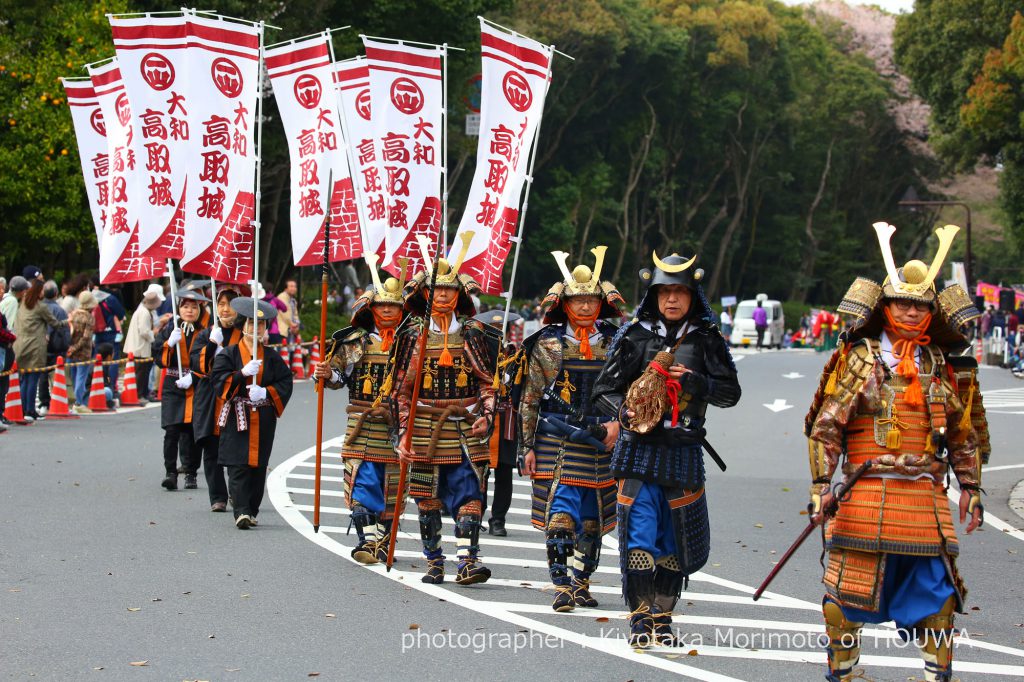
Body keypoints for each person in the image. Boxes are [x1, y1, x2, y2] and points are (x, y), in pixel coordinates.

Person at [805, 224, 983, 682]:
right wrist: (822, 485)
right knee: (842, 607)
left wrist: (971, 487)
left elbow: (961, 432)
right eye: (902, 302)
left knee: (940, 604)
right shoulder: (861, 358)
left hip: (924, 499)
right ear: (884, 307)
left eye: (920, 305)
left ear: (929, 311)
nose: (910, 311)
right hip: (865, 494)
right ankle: (842, 675)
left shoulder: (940, 363)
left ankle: (936, 677)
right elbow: (827, 426)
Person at [593, 251, 741, 647]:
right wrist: (625, 413)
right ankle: (640, 618)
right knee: (640, 536)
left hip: (684, 453)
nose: (672, 299)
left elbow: (730, 394)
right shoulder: (635, 336)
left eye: (680, 291)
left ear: (693, 296)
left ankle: (663, 617)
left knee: (675, 542)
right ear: (654, 295)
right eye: (664, 292)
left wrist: (695, 383)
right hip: (638, 452)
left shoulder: (708, 340)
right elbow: (604, 389)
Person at [517, 247, 625, 612]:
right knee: (561, 516)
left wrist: (619, 427)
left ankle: (582, 582)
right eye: (576, 300)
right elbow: (530, 397)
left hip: (603, 440)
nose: (583, 307)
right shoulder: (545, 343)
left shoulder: (616, 342)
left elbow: (629, 394)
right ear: (563, 303)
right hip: (556, 439)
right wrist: (526, 447)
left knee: (593, 522)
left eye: (590, 300)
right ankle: (561, 583)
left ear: (600, 303)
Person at [392, 235, 497, 585]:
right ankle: (434, 561)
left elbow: (487, 381)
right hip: (424, 427)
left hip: (465, 426)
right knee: (427, 498)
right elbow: (400, 390)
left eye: (450, 290)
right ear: (426, 293)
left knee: (470, 495)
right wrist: (403, 429)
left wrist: (488, 414)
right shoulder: (412, 334)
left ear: (459, 295)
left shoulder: (474, 333)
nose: (443, 295)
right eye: (437, 289)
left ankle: (468, 560)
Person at [313, 258, 407, 563]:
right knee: (361, 481)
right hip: (362, 424)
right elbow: (341, 377)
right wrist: (328, 374)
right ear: (372, 310)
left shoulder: (413, 343)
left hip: (399, 424)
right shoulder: (355, 342)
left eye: (394, 307)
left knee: (393, 485)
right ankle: (365, 541)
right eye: (382, 306)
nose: (388, 311)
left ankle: (382, 541)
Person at [211, 297, 293, 529]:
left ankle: (252, 509)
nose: (255, 328)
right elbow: (218, 381)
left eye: (260, 325)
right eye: (249, 323)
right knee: (238, 464)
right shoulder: (228, 354)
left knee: (258, 465)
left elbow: (286, 381)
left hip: (263, 417)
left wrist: (266, 392)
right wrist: (241, 374)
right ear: (242, 325)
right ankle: (241, 511)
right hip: (238, 414)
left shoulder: (272, 357)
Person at [190, 285, 247, 512]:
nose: (225, 310)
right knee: (211, 449)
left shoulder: (245, 335)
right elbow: (198, 365)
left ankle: (236, 492)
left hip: (235, 397)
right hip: (211, 399)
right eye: (221, 304)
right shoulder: (205, 335)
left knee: (235, 450)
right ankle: (217, 496)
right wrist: (212, 345)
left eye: (230, 304)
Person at [153, 289, 210, 491]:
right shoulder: (170, 329)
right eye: (186, 306)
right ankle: (170, 472)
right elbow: (157, 356)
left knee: (193, 431)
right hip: (173, 385)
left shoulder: (204, 332)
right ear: (179, 308)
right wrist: (169, 343)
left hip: (195, 385)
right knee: (171, 430)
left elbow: (208, 361)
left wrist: (193, 376)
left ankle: (191, 472)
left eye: (194, 307)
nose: (189, 310)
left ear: (199, 310)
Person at [13, 279, 68, 421]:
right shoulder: (40, 307)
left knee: (24, 378)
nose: (44, 293)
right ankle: (30, 410)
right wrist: (69, 320)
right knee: (33, 378)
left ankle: (24, 408)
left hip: (19, 345)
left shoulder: (22, 304)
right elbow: (55, 323)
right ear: (38, 292)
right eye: (42, 290)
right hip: (35, 346)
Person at [123, 284, 167, 402]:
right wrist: (155, 332)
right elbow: (144, 331)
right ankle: (139, 395)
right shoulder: (144, 312)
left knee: (143, 372)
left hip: (140, 347)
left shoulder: (144, 310)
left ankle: (143, 394)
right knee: (140, 373)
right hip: (139, 348)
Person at [39, 280, 70, 412]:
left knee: (42, 375)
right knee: (58, 375)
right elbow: (64, 331)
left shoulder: (38, 307)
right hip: (56, 348)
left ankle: (44, 402)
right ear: (56, 293)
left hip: (40, 346)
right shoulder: (59, 310)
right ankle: (59, 401)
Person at [93, 286, 126, 401]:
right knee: (112, 361)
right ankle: (110, 387)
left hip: (96, 334)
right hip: (111, 333)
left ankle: (97, 385)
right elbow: (121, 313)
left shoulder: (90, 297)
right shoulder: (109, 299)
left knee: (97, 360)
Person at [68, 291, 97, 412]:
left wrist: (71, 348)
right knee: (81, 377)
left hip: (70, 351)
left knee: (73, 377)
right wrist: (77, 347)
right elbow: (86, 337)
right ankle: (78, 402)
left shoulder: (73, 314)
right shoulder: (89, 318)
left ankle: (73, 401)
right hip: (83, 352)